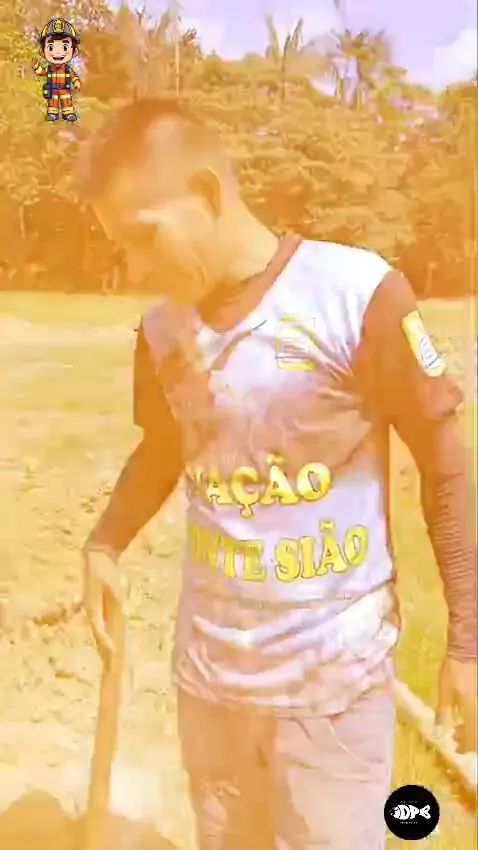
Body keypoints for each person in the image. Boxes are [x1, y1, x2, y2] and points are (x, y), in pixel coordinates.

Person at [81, 98, 476, 850]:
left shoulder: (356, 295)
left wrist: (467, 645)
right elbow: (163, 450)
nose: (133, 267)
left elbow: (445, 466)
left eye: (143, 236)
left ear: (205, 192)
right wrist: (105, 542)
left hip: (331, 694)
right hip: (211, 686)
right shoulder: (161, 331)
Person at [32, 18, 81, 122]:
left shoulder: (67, 69)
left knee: (67, 101)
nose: (58, 53)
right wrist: (36, 67)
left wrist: (76, 81)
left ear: (74, 52)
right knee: (52, 102)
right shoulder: (50, 68)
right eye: (51, 47)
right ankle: (52, 114)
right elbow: (42, 72)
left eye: (65, 47)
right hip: (53, 89)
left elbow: (73, 76)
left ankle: (68, 114)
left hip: (64, 88)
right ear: (42, 52)